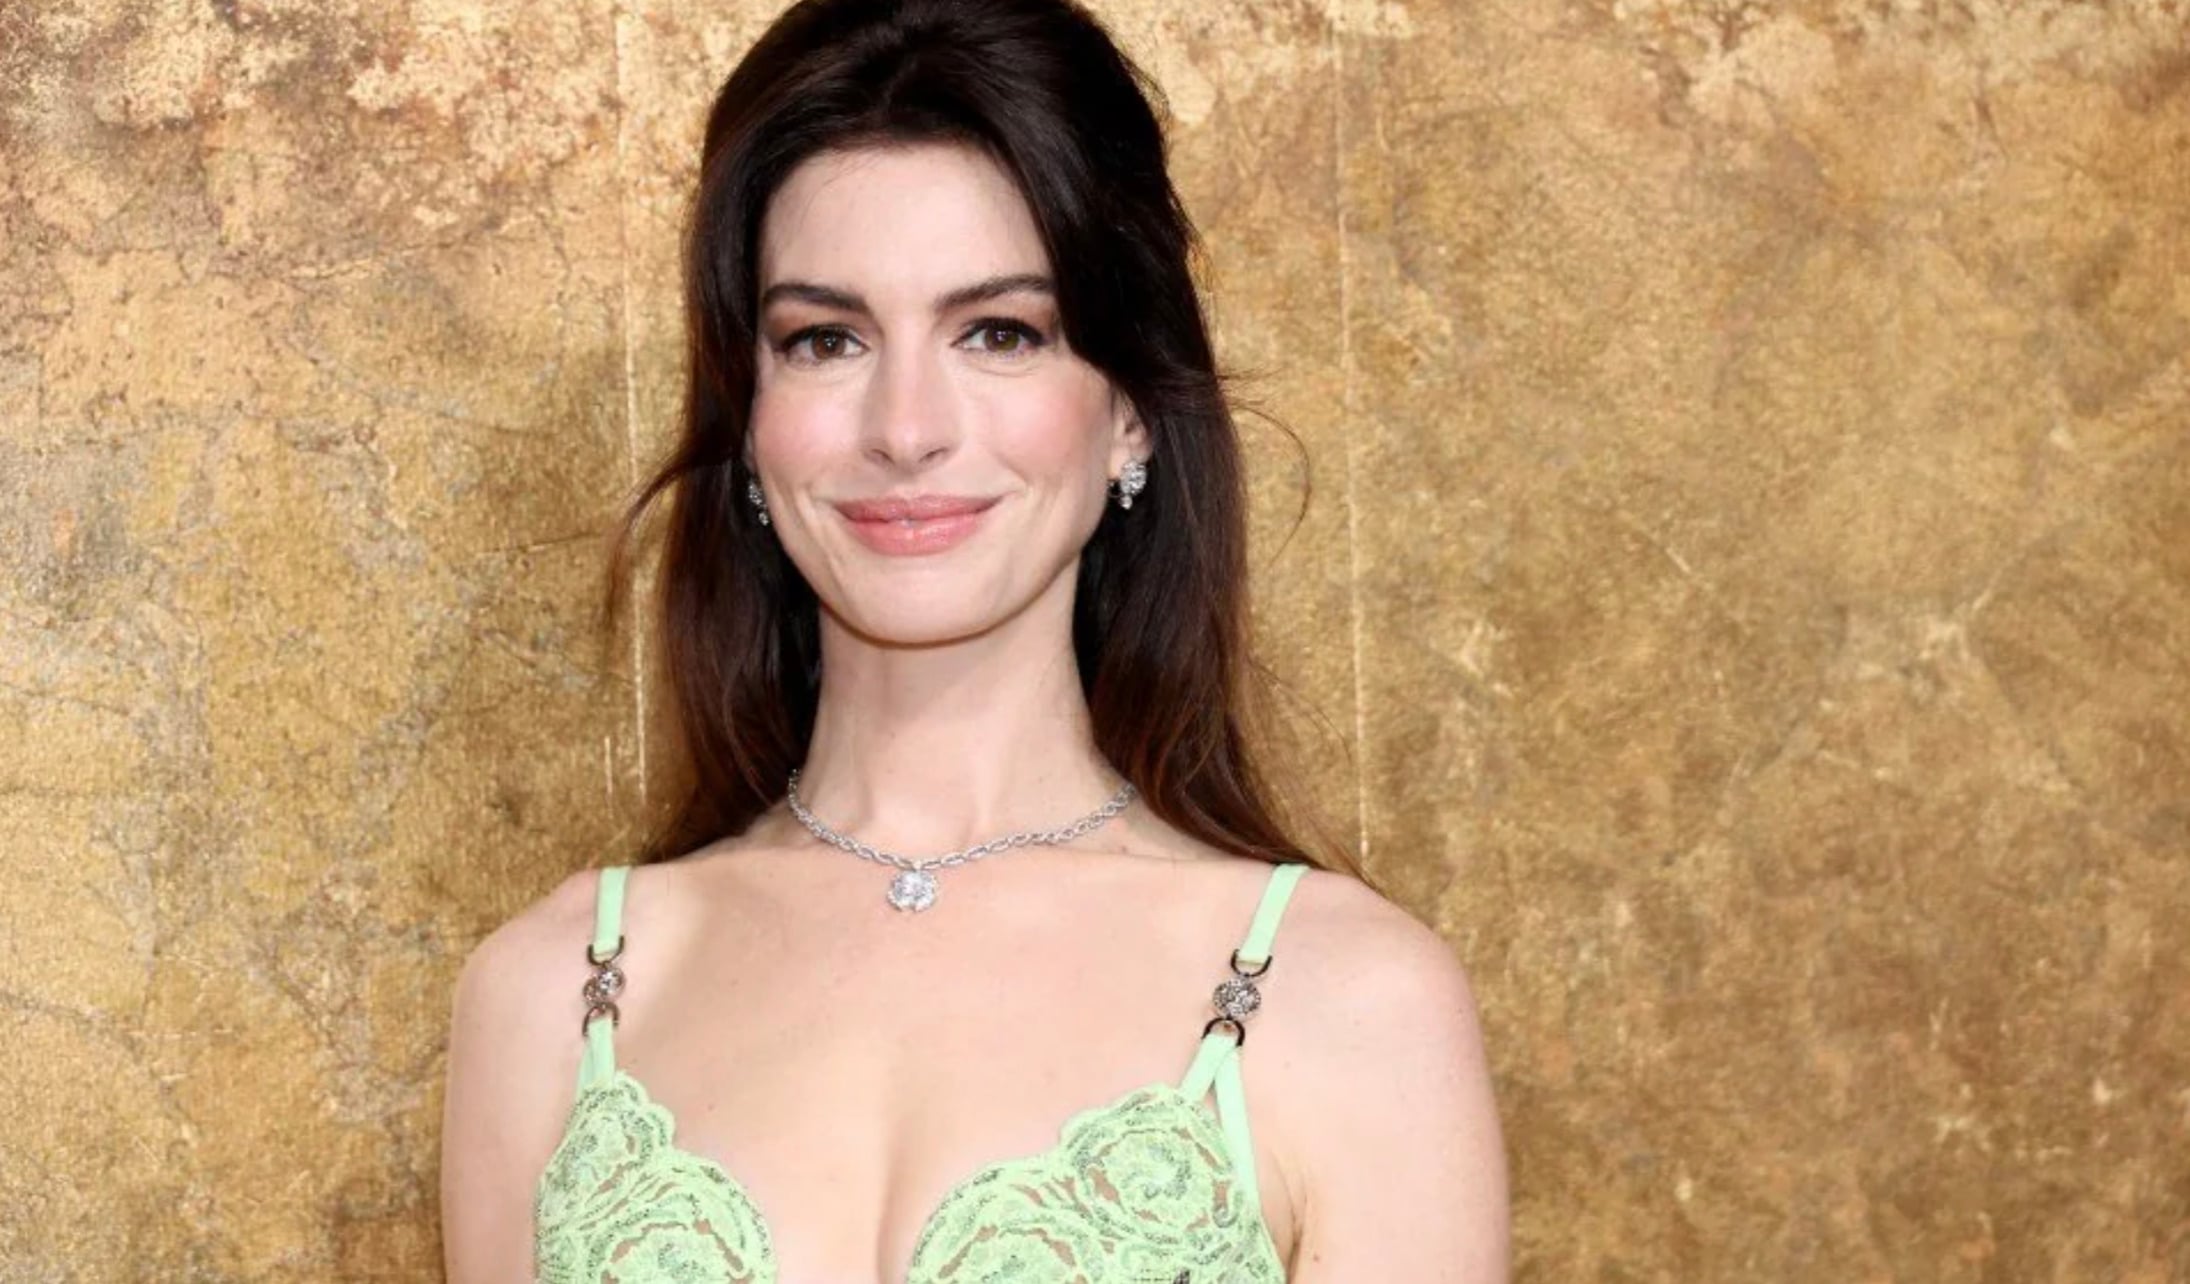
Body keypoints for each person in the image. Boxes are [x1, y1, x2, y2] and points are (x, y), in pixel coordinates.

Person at [438, 0, 1507, 1279]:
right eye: (825, 339)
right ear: (749, 420)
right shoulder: (555, 992)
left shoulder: (1351, 999)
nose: (905, 428)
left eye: (999, 332)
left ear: (1130, 409)